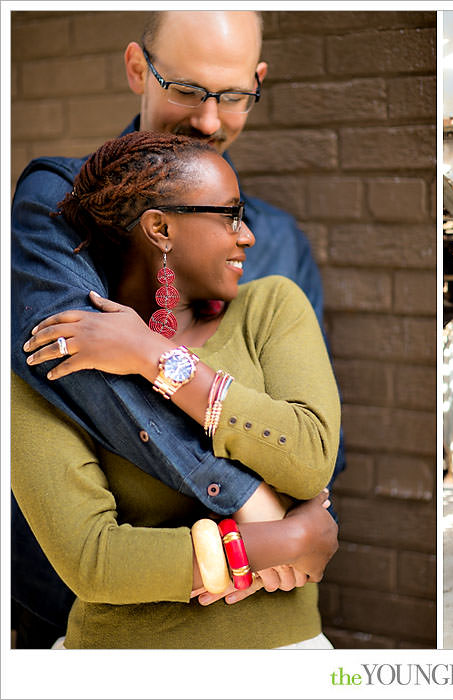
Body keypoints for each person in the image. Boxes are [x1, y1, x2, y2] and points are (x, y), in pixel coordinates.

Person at [10, 10, 345, 647]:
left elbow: (314, 457)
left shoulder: (277, 256)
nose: (210, 120)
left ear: (258, 81)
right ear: (138, 67)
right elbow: (61, 370)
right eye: (188, 90)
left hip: (277, 636)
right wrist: (249, 519)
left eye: (235, 95)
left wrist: (302, 522)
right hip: (77, 617)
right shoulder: (58, 206)